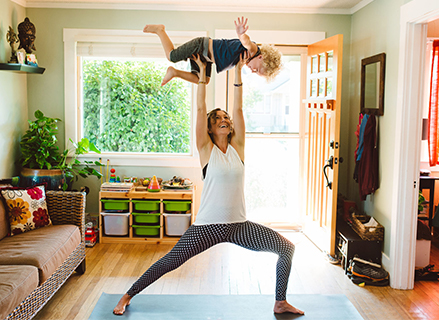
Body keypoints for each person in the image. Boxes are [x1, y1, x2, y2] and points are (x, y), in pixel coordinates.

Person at [113, 53, 303, 316]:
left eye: (226, 118)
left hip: (238, 226)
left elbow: (238, 108)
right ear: (210, 129)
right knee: (170, 261)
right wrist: (202, 76)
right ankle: (127, 295)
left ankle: (280, 301)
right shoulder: (206, 150)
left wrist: (237, 70)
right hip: (207, 227)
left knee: (286, 248)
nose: (224, 119)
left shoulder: (238, 149)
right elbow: (201, 109)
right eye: (218, 119)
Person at [143, 17, 282, 86]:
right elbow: (246, 41)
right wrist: (241, 34)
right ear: (261, 57)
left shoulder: (244, 59)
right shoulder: (252, 50)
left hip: (206, 58)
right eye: (256, 70)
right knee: (172, 56)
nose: (252, 71)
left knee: (202, 80)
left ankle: (175, 72)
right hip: (201, 46)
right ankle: (160, 30)